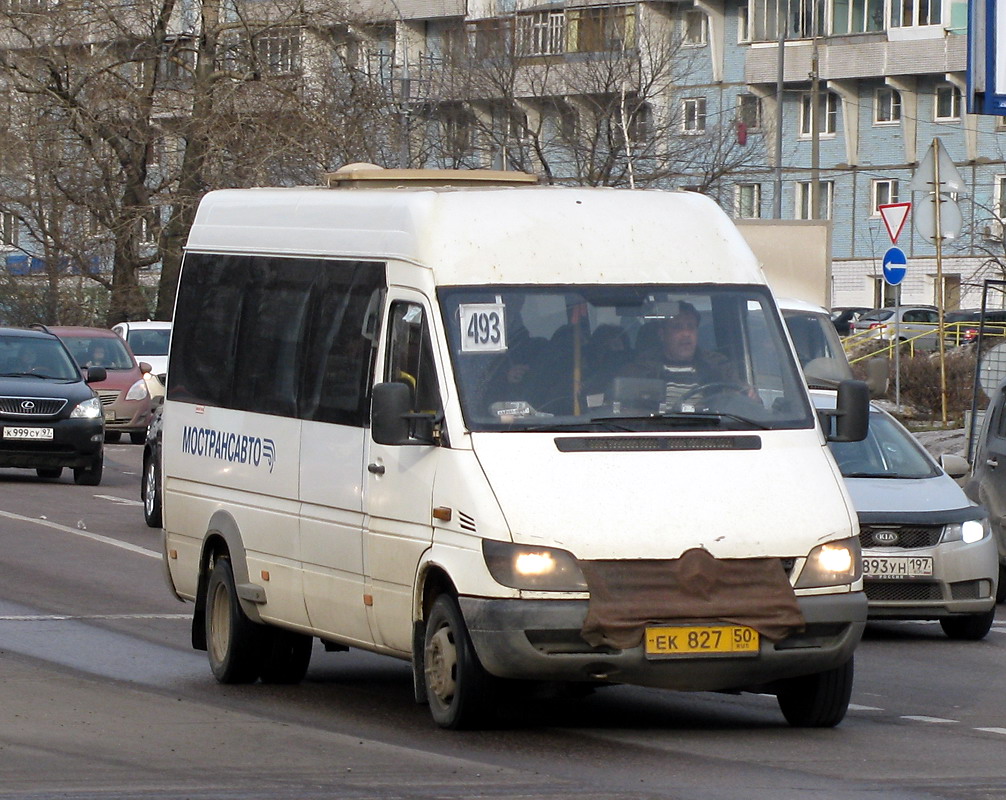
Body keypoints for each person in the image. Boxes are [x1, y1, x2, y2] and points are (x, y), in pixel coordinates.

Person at [627, 301, 744, 410]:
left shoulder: (719, 366)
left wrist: (747, 395)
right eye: (677, 327)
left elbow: (744, 401)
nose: (686, 334)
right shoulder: (640, 370)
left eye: (691, 327)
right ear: (662, 334)